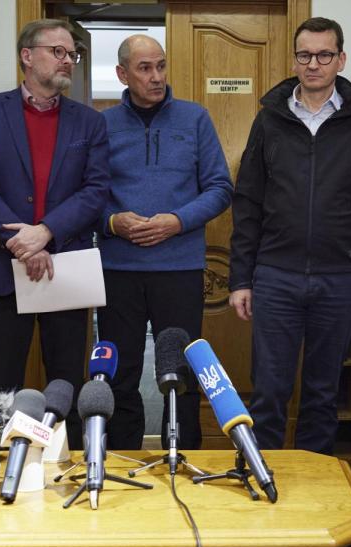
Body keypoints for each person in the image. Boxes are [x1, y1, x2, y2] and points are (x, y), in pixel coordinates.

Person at [229, 17, 351, 455]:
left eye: (324, 55)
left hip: (340, 278)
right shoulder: (269, 121)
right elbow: (247, 203)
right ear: (295, 58)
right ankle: (263, 476)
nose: (313, 65)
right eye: (305, 55)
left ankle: (314, 491)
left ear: (340, 60)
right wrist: (240, 278)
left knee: (323, 395)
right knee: (268, 392)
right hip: (275, 276)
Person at [0, 19, 109, 448]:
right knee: (0, 384)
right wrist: (20, 243)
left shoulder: (89, 122)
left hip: (64, 266)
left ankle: (67, 464)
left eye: (72, 54)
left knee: (66, 380)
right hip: (1, 266)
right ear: (28, 56)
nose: (68, 61)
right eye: (58, 52)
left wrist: (45, 233)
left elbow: (96, 190)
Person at [98, 35, 232, 450]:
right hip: (118, 269)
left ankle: (185, 456)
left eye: (160, 66)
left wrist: (177, 221)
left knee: (185, 373)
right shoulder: (101, 125)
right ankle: (120, 459)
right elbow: (87, 192)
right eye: (144, 68)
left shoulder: (195, 119)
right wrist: (112, 221)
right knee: (120, 375)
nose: (156, 77)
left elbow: (220, 187)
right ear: (122, 73)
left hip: (179, 268)